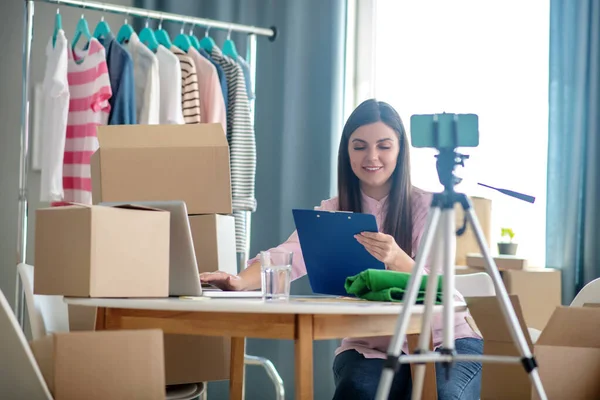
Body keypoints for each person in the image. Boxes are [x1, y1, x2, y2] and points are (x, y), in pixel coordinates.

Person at [200, 99, 484, 399]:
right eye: (359, 146)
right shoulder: (333, 211)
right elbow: (290, 254)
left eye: (384, 146)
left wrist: (396, 258)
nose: (371, 156)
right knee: (357, 391)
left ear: (400, 151)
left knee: (446, 396)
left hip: (443, 339)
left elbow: (439, 286)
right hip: (371, 344)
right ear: (346, 152)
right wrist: (239, 281)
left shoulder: (429, 207)